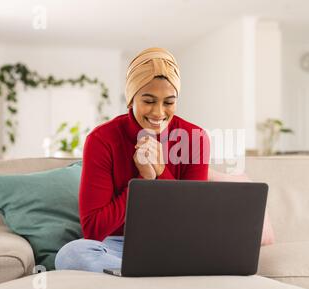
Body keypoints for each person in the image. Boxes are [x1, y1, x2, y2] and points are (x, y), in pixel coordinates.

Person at [55, 47, 210, 272]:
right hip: (116, 247)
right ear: (131, 99)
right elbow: (94, 231)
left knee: (216, 249)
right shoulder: (102, 139)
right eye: (148, 101)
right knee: (70, 255)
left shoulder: (195, 138)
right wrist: (143, 181)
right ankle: (159, 273)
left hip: (175, 244)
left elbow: (190, 223)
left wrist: (160, 170)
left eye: (168, 102)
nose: (158, 113)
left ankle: (135, 274)